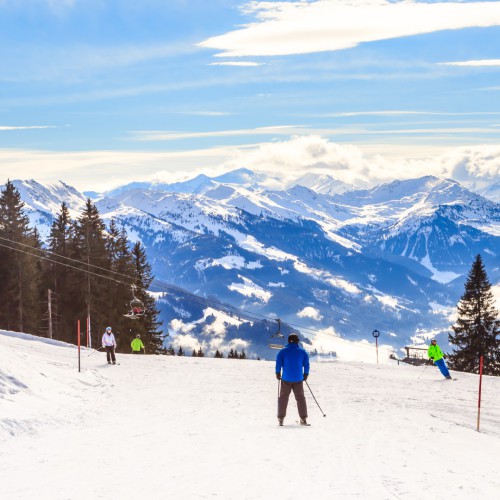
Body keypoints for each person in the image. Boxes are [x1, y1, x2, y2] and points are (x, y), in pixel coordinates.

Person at [275, 333, 310, 426]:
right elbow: (306, 364)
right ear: (297, 341)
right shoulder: (303, 352)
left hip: (286, 378)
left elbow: (278, 362)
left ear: (288, 341)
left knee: (283, 398)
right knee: (300, 398)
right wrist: (306, 374)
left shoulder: (282, 352)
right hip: (298, 379)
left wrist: (277, 373)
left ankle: (281, 419)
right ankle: (303, 419)